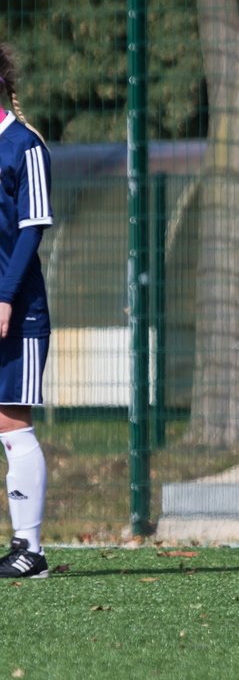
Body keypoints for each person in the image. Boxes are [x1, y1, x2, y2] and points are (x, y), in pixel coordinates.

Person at [0, 44, 53, 579]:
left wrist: (5, 298)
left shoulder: (24, 146)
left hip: (19, 311)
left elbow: (31, 229)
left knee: (12, 422)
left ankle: (29, 550)